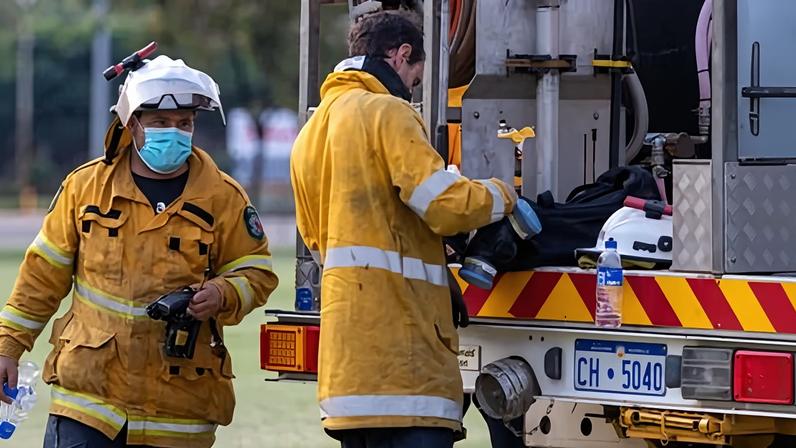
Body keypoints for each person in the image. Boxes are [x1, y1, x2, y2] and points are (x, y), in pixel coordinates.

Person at [0, 54, 278, 447]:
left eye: (185, 124)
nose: (175, 133)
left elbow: (258, 273)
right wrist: (8, 346)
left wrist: (222, 293)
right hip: (90, 400)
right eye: (161, 123)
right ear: (132, 125)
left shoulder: (224, 198)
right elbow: (41, 276)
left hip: (179, 406)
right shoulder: (86, 189)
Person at [290, 10, 517, 448]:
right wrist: (503, 195)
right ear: (402, 55)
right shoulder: (386, 112)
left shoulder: (311, 132)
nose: (414, 87)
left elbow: (323, 240)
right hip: (405, 369)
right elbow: (444, 206)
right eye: (416, 76)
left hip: (348, 377)